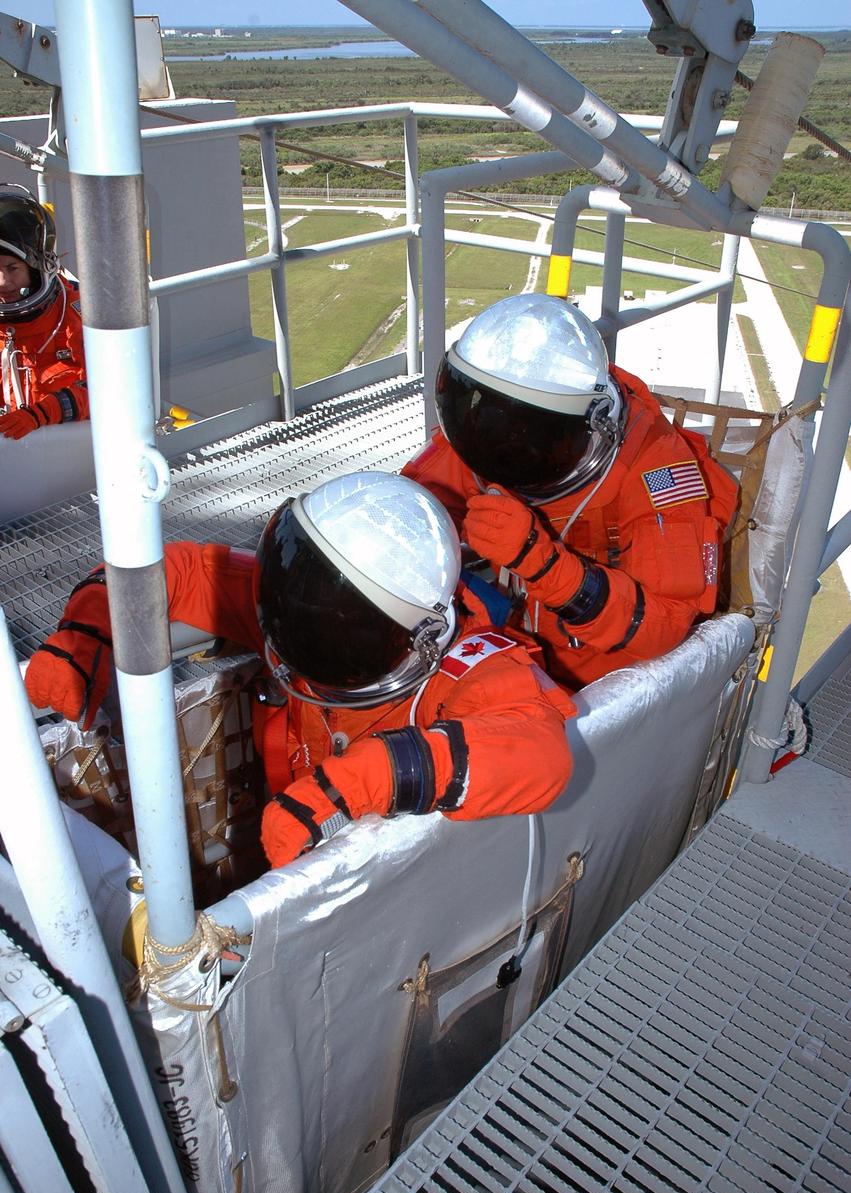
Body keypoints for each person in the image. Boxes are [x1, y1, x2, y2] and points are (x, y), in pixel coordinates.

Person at [24, 471, 575, 868]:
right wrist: (87, 631)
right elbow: (180, 570)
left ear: (417, 639)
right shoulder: (298, 605)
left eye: (342, 632)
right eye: (296, 610)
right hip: (290, 833)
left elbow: (542, 754)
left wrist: (365, 780)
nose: (296, 646)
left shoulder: (474, 667)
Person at [403, 293, 739, 689]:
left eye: (533, 435)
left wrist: (544, 565)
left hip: (589, 680)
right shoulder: (485, 438)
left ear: (595, 426)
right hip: (503, 649)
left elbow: (666, 625)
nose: (508, 453)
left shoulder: (656, 471)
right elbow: (411, 505)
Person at [0, 186, 89, 441]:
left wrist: (40, 414)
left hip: (70, 448)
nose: (2, 282)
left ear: (39, 266)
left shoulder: (78, 315)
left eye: (12, 267)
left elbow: (109, 390)